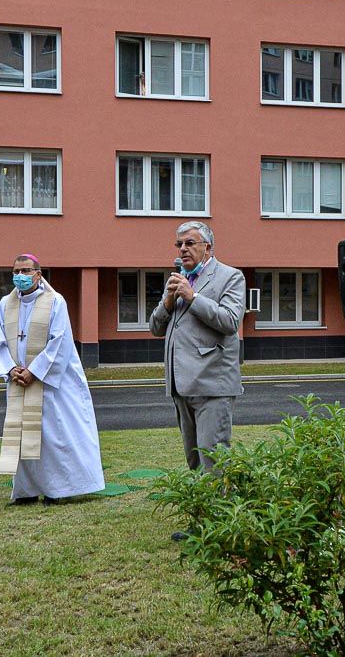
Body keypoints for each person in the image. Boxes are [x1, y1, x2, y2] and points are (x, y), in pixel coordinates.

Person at [149, 221, 245, 538]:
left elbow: (230, 321)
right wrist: (166, 303)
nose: (182, 250)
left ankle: (220, 528)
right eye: (178, 245)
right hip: (181, 384)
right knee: (194, 458)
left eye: (189, 243)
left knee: (213, 456)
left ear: (207, 246)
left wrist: (192, 297)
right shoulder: (177, 282)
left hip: (212, 383)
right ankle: (203, 520)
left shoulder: (230, 277)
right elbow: (155, 328)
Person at [0, 253, 105, 505]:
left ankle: (57, 489)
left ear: (38, 274)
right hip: (19, 381)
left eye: (26, 271)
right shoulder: (5, 304)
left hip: (50, 384)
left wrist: (35, 370)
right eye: (16, 271)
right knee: (21, 434)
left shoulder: (55, 301)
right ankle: (26, 490)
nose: (20, 276)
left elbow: (60, 341)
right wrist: (10, 369)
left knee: (52, 436)